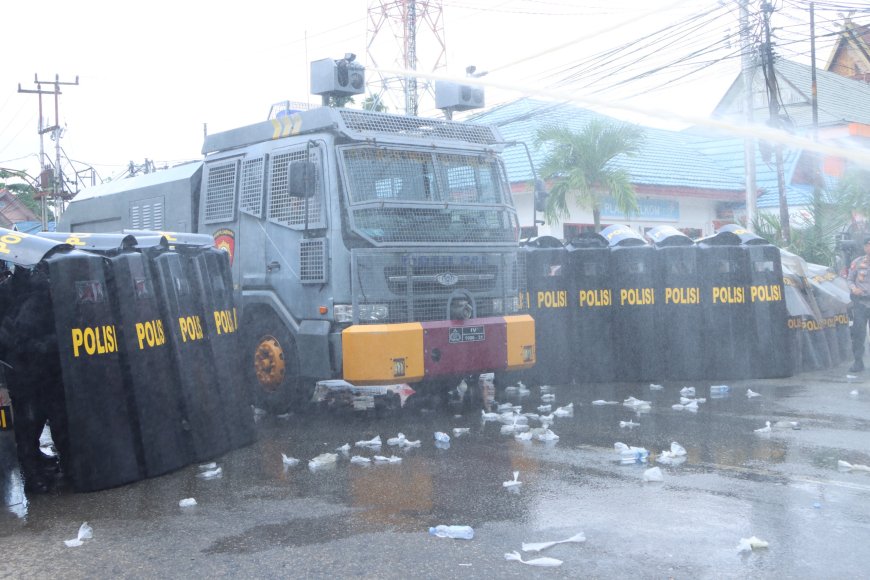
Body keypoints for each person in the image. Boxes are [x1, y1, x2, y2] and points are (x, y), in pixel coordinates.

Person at [0, 264, 66, 493]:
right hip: (24, 371)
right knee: (29, 424)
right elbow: (15, 338)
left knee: (35, 422)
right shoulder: (28, 302)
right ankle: (33, 476)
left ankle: (36, 468)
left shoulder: (27, 296)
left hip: (34, 370)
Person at [847, 237, 870, 372]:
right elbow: (850, 280)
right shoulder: (857, 262)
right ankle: (858, 362)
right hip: (861, 303)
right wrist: (853, 288)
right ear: (864, 247)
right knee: (858, 333)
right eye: (868, 245)